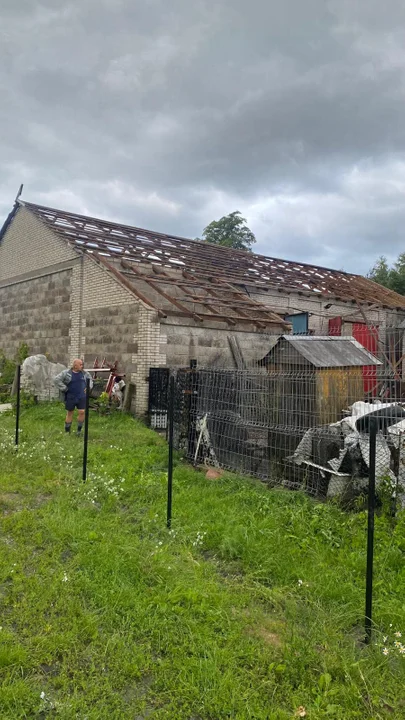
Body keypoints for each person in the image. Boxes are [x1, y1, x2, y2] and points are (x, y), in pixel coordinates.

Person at [54, 359, 93, 435]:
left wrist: (88, 387)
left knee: (82, 412)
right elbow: (56, 380)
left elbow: (90, 380)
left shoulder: (85, 374)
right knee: (70, 412)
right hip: (71, 396)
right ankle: (67, 432)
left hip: (82, 396)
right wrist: (64, 388)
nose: (82, 366)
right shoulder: (66, 373)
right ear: (75, 366)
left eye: (82, 364)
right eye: (80, 364)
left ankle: (79, 431)